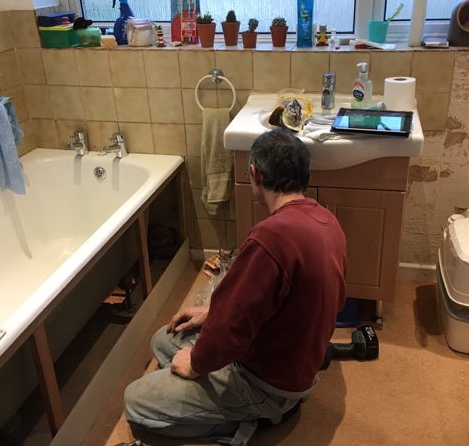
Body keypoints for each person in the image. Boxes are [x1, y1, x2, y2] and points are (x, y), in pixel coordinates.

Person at [124, 128, 347, 445]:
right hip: (293, 363)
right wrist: (212, 313)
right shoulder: (327, 221)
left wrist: (196, 365)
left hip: (266, 383)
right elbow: (275, 304)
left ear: (255, 175)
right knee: (164, 340)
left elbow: (232, 329)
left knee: (136, 402)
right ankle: (228, 399)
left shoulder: (270, 238)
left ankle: (247, 420)